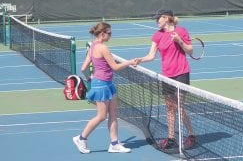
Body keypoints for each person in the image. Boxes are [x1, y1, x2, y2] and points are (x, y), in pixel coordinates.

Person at [73, 22, 136, 154]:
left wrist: (90, 79)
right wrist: (130, 62)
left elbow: (83, 68)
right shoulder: (103, 48)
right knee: (101, 116)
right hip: (102, 85)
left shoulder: (92, 46)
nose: (111, 35)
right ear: (102, 34)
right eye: (109, 33)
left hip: (106, 84)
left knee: (114, 114)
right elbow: (115, 67)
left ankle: (114, 144)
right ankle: (81, 138)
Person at [136, 9, 196, 150]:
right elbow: (151, 56)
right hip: (167, 76)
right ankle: (171, 138)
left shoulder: (181, 31)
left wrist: (179, 40)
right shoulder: (157, 36)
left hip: (181, 73)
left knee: (179, 106)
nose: (157, 21)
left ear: (167, 18)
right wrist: (140, 60)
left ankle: (191, 134)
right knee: (169, 107)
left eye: (159, 19)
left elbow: (190, 50)